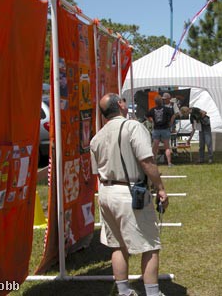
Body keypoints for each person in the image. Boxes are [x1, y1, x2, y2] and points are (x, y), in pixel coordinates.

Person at [90, 93, 168, 296]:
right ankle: (152, 293)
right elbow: (147, 161)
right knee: (150, 245)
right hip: (129, 192)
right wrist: (160, 187)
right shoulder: (133, 127)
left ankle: (124, 292)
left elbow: (94, 171)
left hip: (106, 191)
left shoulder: (97, 136)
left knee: (117, 245)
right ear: (121, 105)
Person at [146, 95, 175, 167]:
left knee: (155, 148)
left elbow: (146, 115)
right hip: (165, 129)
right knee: (167, 147)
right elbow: (173, 115)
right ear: (161, 101)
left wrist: (151, 120)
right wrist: (171, 123)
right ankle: (169, 163)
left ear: (155, 102)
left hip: (156, 130)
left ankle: (153, 163)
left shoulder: (152, 109)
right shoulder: (166, 109)